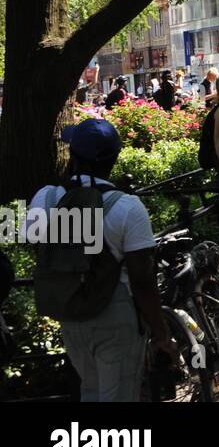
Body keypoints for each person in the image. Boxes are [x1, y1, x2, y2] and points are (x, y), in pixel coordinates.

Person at [25, 119, 179, 401]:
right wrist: (161, 335)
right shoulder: (126, 207)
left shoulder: (45, 198)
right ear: (114, 159)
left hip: (69, 311)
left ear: (72, 155)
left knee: (91, 390)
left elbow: (38, 246)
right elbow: (142, 280)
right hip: (114, 313)